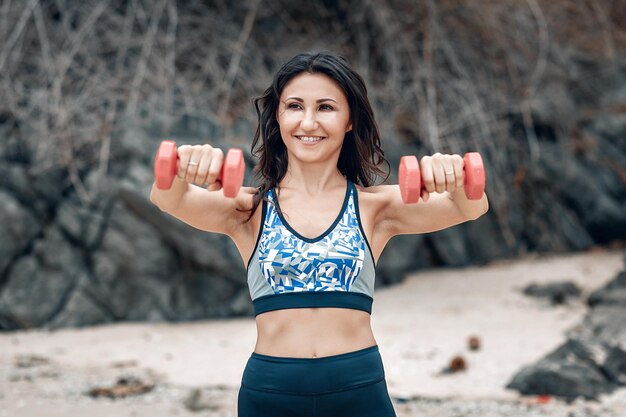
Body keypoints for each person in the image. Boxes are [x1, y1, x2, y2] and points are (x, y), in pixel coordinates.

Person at [150, 51, 489, 417]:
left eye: (326, 107)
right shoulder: (248, 209)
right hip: (271, 392)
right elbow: (168, 198)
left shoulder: (376, 207)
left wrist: (451, 175)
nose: (308, 122)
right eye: (294, 106)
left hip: (358, 391)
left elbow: (470, 206)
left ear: (348, 120)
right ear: (277, 117)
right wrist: (185, 168)